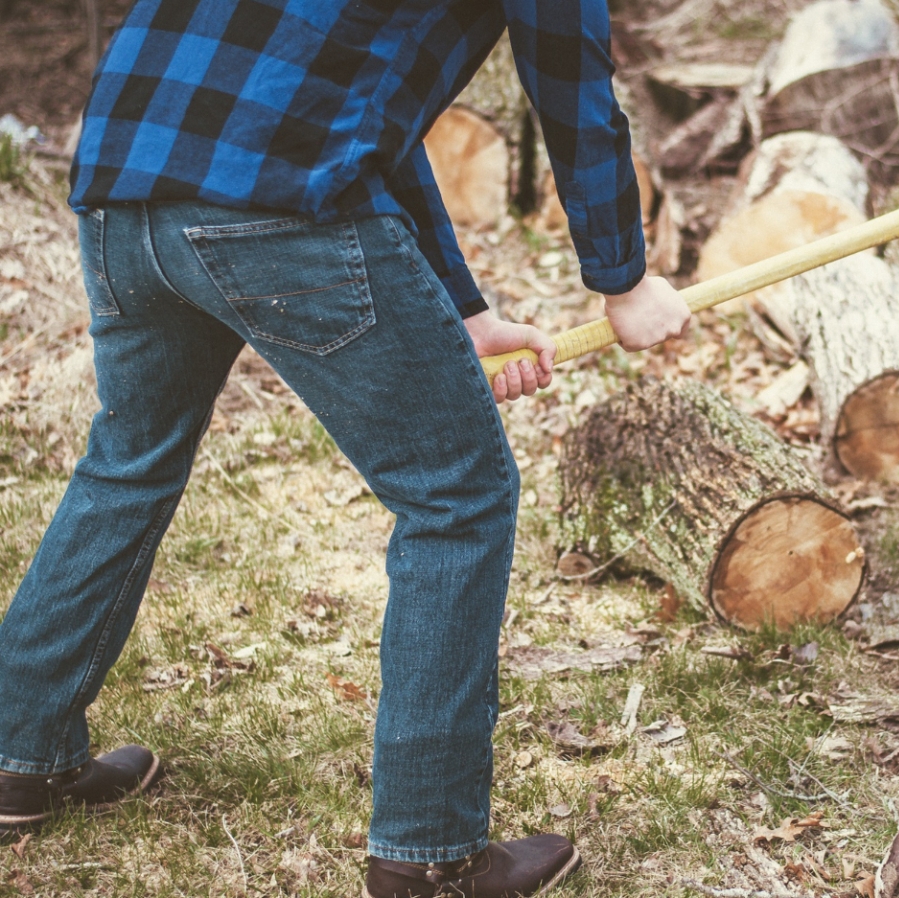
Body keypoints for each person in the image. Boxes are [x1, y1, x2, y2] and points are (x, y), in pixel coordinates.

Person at [0, 1, 691, 896]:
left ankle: (19, 752)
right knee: (456, 499)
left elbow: (358, 112)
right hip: (277, 210)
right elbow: (574, 90)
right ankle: (429, 854)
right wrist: (624, 282)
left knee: (128, 460)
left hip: (122, 192)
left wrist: (466, 311)